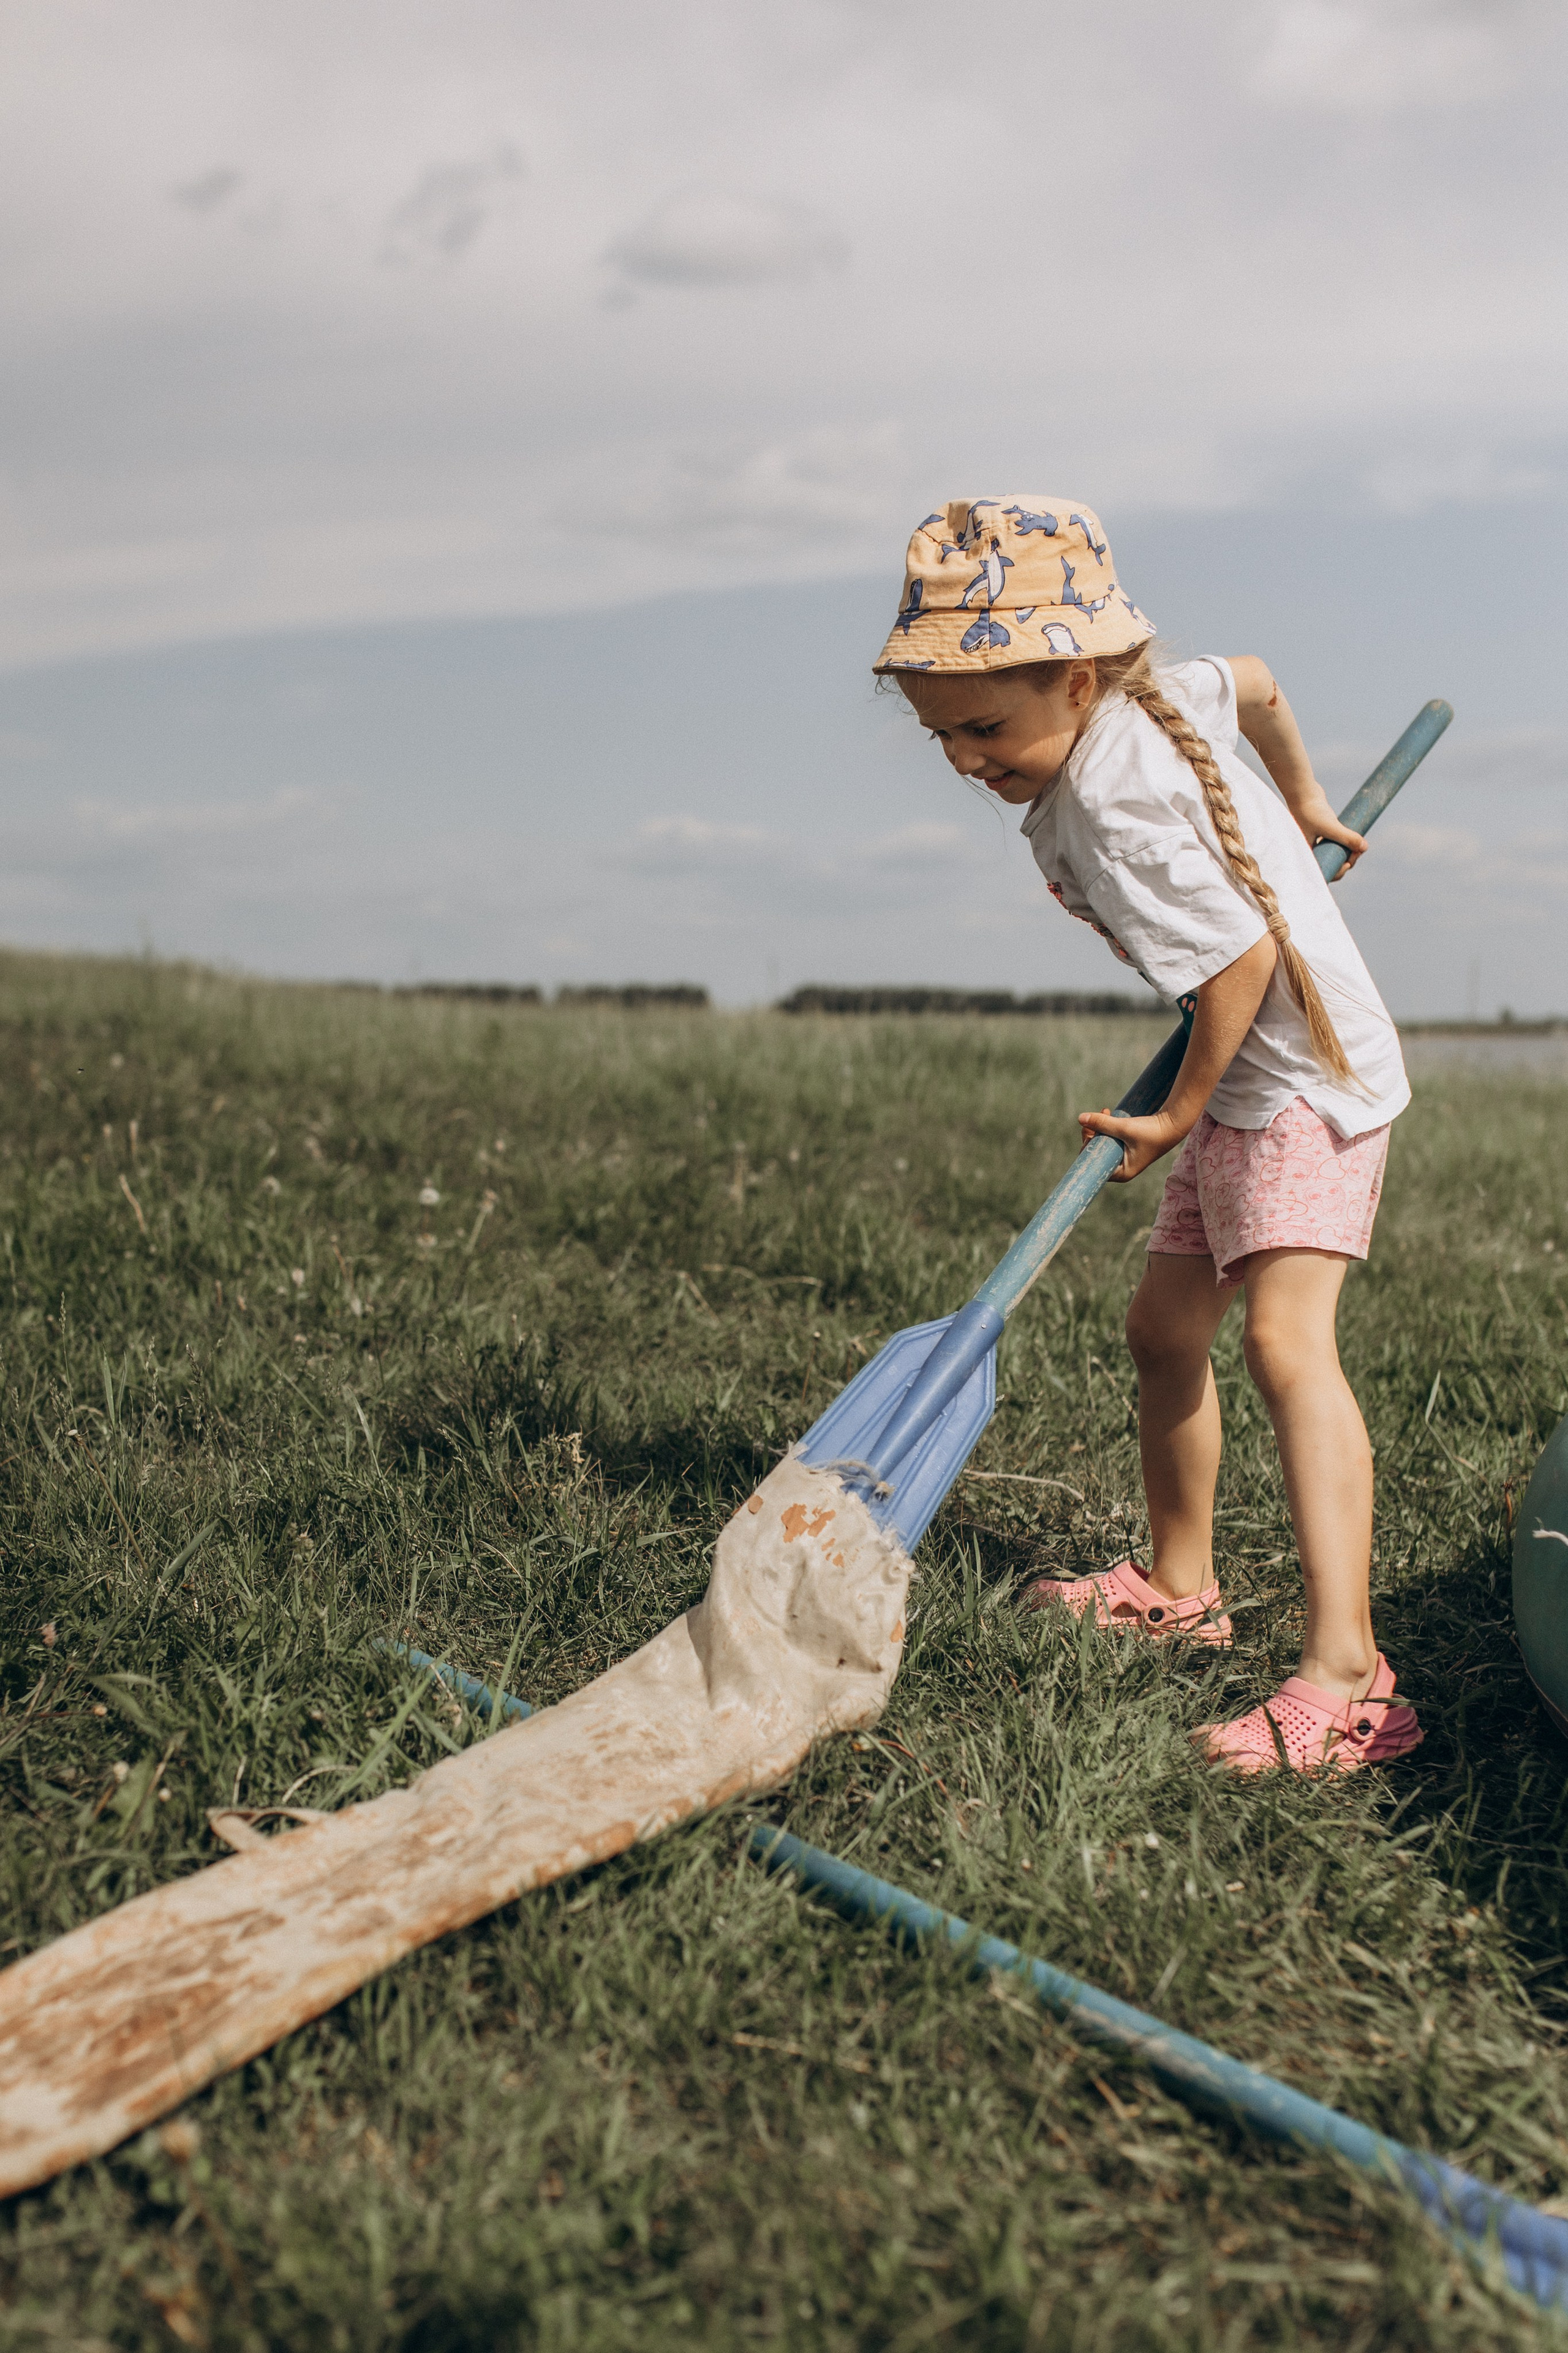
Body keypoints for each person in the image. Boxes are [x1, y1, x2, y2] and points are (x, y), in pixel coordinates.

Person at [873, 499, 1422, 1774]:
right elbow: (1259, 678)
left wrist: (1175, 1115)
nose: (963, 759)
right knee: (1163, 1333)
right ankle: (1181, 1581)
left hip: (1299, 1080)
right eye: (940, 736)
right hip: (1240, 1074)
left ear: (1074, 678)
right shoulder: (1147, 695)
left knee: (1289, 1343)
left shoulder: (1111, 802)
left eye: (983, 727)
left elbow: (1232, 957)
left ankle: (1349, 1675)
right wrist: (1305, 801)